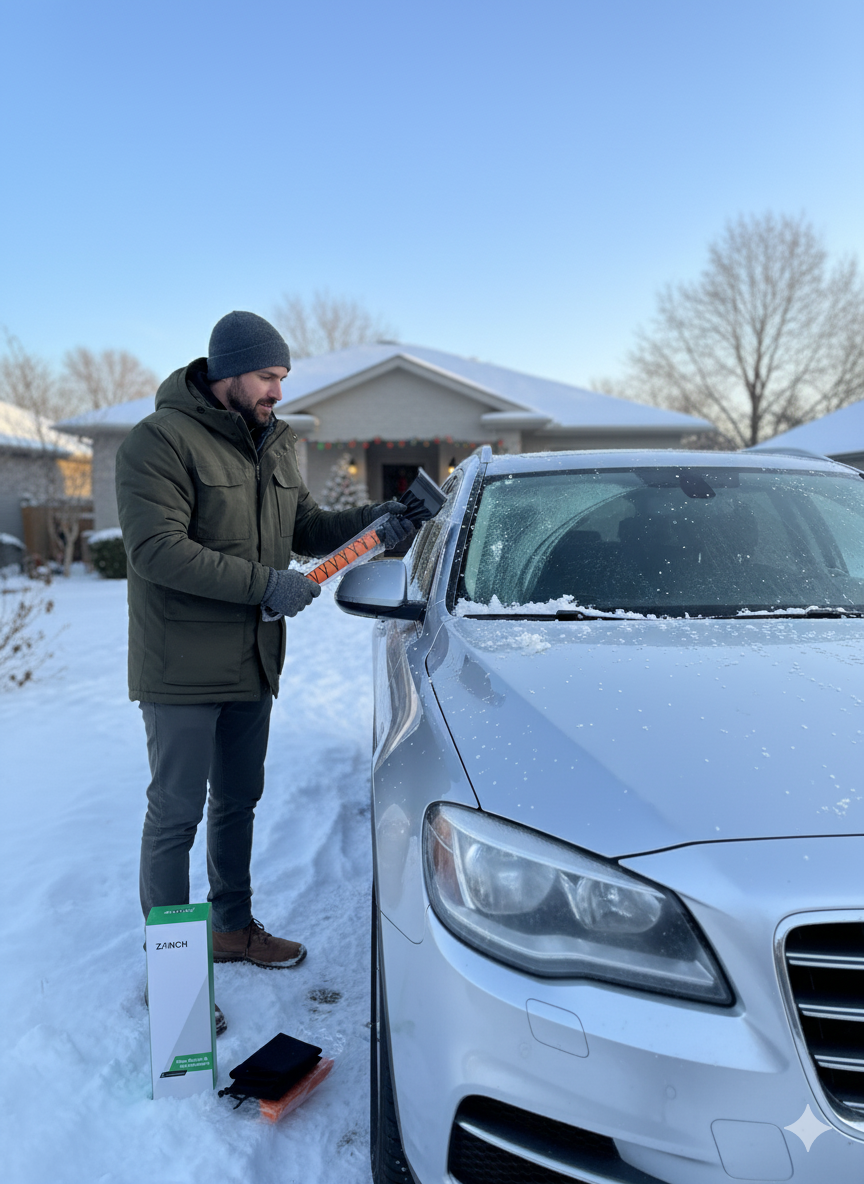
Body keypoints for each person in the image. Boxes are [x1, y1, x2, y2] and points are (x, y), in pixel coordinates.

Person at [116, 311, 427, 1032]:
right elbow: (156, 551)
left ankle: (231, 928)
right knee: (176, 816)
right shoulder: (159, 441)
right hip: (180, 666)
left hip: (253, 659)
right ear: (226, 371)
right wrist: (266, 584)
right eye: (266, 376)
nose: (277, 392)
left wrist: (380, 519)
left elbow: (306, 528)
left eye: (283, 377)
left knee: (238, 802)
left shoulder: (276, 442)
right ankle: (174, 978)